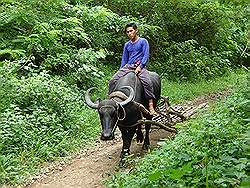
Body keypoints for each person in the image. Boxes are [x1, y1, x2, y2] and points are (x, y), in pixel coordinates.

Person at [108, 22, 157, 115]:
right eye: (127, 32)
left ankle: (151, 105)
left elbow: (146, 56)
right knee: (112, 81)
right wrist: (121, 70)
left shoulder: (143, 41)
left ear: (136, 31)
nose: (129, 33)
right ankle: (110, 102)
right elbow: (124, 59)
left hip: (139, 66)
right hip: (128, 66)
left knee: (147, 82)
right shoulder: (127, 45)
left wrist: (140, 66)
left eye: (131, 31)